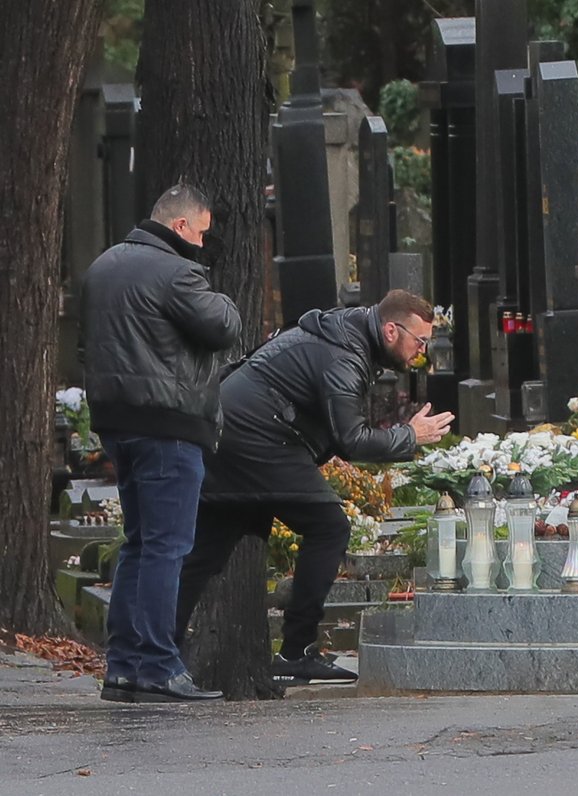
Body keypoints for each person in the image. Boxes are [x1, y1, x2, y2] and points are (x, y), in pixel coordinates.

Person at [175, 289, 454, 685]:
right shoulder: (345, 354)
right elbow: (352, 440)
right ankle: (296, 649)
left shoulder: (347, 336)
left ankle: (152, 655)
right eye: (419, 340)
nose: (421, 351)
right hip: (256, 438)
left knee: (206, 551)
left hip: (234, 434)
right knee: (329, 526)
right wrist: (410, 435)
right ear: (391, 330)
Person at [81, 184, 242, 703]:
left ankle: (122, 667)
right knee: (167, 548)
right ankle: (157, 665)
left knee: (139, 543)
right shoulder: (178, 272)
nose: (203, 242)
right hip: (168, 424)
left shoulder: (103, 265)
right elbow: (222, 327)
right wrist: (214, 284)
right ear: (180, 227)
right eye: (200, 232)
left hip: (117, 421)